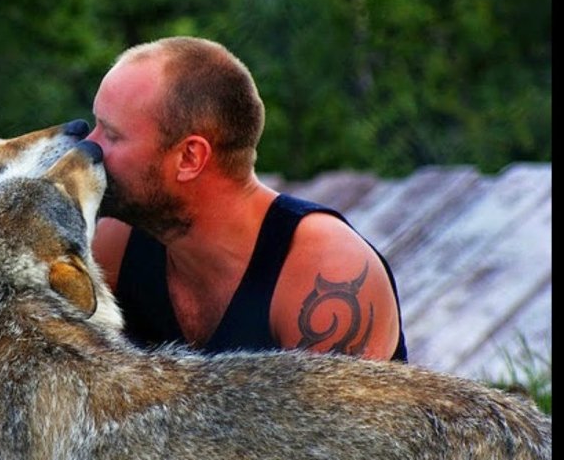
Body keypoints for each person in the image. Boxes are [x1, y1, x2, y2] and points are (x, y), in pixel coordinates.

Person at [85, 36, 407, 361]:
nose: (87, 146)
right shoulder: (115, 244)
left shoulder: (327, 276)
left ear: (190, 158)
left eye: (111, 135)